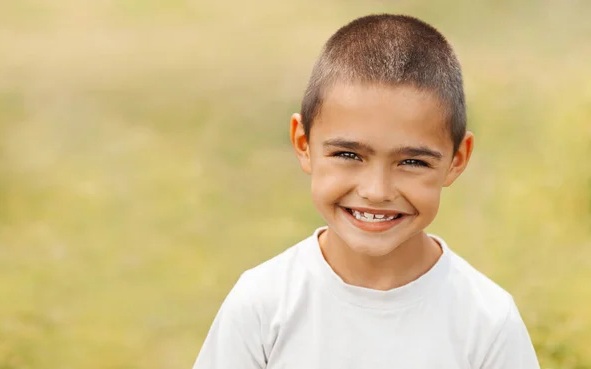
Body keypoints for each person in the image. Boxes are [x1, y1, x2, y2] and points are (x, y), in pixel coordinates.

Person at [193, 14, 540, 369]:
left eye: (413, 162)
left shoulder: (488, 322)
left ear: (456, 159)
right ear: (303, 143)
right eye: (348, 155)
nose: (376, 191)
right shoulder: (261, 304)